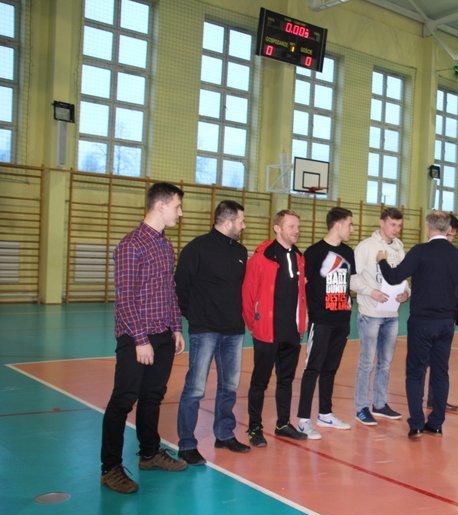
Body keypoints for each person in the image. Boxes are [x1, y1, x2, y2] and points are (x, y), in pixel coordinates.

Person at [100, 182, 188, 494]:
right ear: (160, 206)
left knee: (153, 395)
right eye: (177, 206)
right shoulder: (131, 245)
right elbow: (125, 299)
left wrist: (175, 327)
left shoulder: (165, 245)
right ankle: (110, 468)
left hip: (163, 334)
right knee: (123, 400)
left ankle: (149, 454)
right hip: (136, 336)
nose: (180, 212)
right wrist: (140, 340)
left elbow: (169, 290)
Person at [378, 210, 458, 438]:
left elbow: (394, 277)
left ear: (428, 228)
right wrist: (451, 315)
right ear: (448, 229)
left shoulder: (420, 251)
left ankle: (417, 423)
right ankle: (436, 424)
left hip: (422, 322)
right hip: (446, 323)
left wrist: (382, 261)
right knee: (440, 373)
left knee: (416, 373)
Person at [175, 200, 250, 466]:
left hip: (234, 330)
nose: (243, 226)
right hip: (205, 329)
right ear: (228, 222)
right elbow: (180, 286)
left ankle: (224, 434)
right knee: (195, 388)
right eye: (241, 221)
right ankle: (187, 444)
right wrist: (194, 316)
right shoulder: (197, 249)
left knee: (229, 386)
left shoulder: (240, 251)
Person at [243, 209, 309, 444]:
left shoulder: (299, 257)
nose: (297, 231)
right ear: (277, 228)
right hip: (266, 331)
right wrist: (254, 323)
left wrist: (301, 322)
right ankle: (254, 428)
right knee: (259, 382)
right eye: (292, 226)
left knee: (286, 380)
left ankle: (283, 424)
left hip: (291, 331)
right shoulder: (262, 256)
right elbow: (248, 293)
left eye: (298, 226)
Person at [296, 207, 356, 439]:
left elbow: (349, 283)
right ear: (338, 225)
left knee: (331, 368)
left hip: (342, 320)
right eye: (349, 224)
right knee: (313, 368)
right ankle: (303, 419)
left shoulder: (348, 252)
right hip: (321, 320)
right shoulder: (314, 252)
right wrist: (306, 314)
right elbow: (302, 286)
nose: (352, 229)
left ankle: (325, 413)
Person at [350, 207, 409, 426]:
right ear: (382, 222)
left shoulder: (399, 248)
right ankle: (361, 407)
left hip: (392, 314)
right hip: (371, 313)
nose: (396, 229)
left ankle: (380, 403)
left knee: (385, 362)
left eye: (399, 225)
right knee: (367, 362)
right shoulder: (365, 247)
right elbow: (352, 278)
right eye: (393, 224)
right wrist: (371, 292)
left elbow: (403, 278)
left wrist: (407, 293)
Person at [426, 212, 458, 411]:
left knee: (440, 363)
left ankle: (436, 399)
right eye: (449, 235)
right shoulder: (427, 252)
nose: (450, 239)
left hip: (446, 317)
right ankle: (419, 402)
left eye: (453, 236)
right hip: (428, 317)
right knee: (422, 363)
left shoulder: (454, 256)